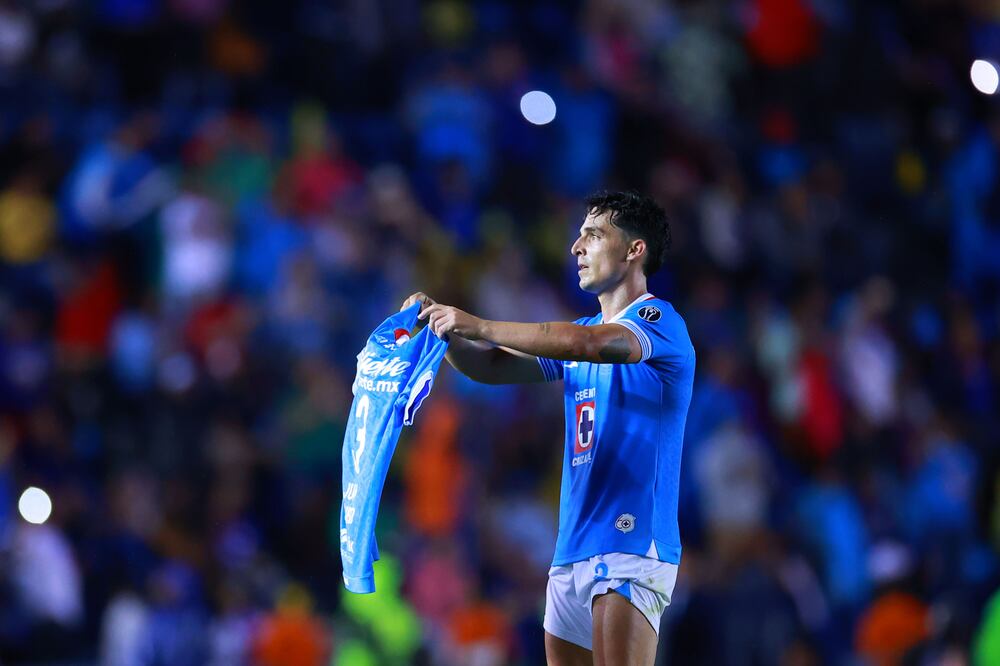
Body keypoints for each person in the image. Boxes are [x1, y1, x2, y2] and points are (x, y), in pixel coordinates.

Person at [402, 191, 695, 666]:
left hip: (631, 542)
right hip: (571, 548)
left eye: (594, 234)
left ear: (634, 250)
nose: (577, 246)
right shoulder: (580, 333)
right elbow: (491, 368)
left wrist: (477, 323)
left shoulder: (658, 323)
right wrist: (442, 329)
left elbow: (587, 344)